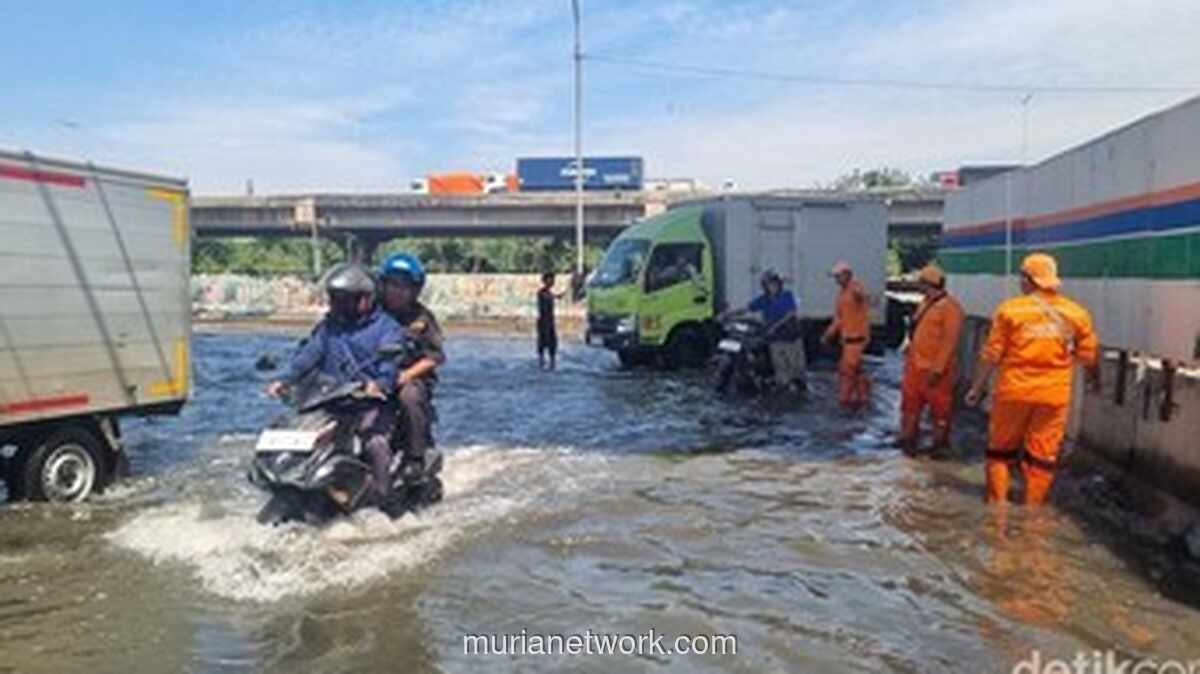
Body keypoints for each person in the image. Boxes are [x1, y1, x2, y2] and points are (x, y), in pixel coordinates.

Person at [965, 252, 1100, 506]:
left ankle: (997, 509)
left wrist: (976, 387)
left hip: (1013, 391)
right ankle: (1033, 513)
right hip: (1053, 395)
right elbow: (1089, 356)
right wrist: (1094, 381)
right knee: (1042, 457)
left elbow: (992, 354)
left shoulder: (1010, 311)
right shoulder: (1077, 314)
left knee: (1000, 452)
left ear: (1028, 279)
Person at [266, 263, 405, 504]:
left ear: (366, 299)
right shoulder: (328, 327)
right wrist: (285, 380)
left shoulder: (387, 328)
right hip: (330, 401)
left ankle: (384, 497)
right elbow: (308, 356)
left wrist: (379, 384)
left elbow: (390, 366)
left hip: (369, 404)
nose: (339, 305)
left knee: (375, 443)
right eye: (336, 299)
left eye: (346, 299)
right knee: (291, 432)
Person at [378, 253, 446, 485]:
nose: (397, 291)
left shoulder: (422, 319)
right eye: (392, 284)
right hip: (372, 376)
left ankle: (414, 458)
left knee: (410, 396)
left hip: (410, 377)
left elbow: (435, 357)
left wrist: (405, 375)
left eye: (404, 286)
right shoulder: (371, 313)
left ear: (414, 290)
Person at [899, 264, 965, 456]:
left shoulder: (951, 308)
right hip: (915, 366)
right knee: (909, 406)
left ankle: (939, 445)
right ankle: (908, 441)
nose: (919, 287)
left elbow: (949, 342)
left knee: (940, 409)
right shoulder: (925, 303)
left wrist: (938, 370)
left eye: (921, 283)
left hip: (935, 370)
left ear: (928, 284)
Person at [720, 268, 807, 393]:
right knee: (782, 373)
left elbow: (790, 314)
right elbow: (747, 308)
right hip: (775, 340)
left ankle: (798, 391)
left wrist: (774, 327)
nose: (771, 286)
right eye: (767, 284)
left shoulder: (787, 295)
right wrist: (728, 315)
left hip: (791, 338)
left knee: (796, 371)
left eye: (772, 283)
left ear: (778, 284)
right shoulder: (764, 299)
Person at [822, 261, 872, 412]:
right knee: (855, 371)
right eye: (835, 277)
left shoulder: (855, 288)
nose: (836, 279)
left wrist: (858, 292)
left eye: (838, 276)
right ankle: (862, 400)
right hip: (849, 341)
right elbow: (839, 319)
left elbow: (862, 296)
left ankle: (846, 402)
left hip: (856, 340)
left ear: (847, 275)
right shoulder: (842, 294)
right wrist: (828, 334)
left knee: (847, 371)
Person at [537, 272, 567, 370]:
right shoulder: (542, 293)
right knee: (544, 341)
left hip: (549, 321)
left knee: (552, 342)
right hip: (544, 321)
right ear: (545, 281)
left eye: (553, 280)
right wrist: (557, 297)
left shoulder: (548, 293)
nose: (553, 282)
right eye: (551, 279)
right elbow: (547, 298)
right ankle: (542, 360)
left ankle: (551, 361)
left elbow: (552, 297)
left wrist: (558, 296)